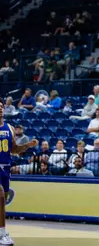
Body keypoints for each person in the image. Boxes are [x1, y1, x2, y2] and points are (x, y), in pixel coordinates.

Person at [0, 98, 38, 244]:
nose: (0, 108)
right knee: (1, 196)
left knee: (2, 202)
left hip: (5, 168)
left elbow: (14, 150)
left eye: (2, 106)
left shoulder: (9, 128)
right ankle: (2, 233)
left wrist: (27, 145)